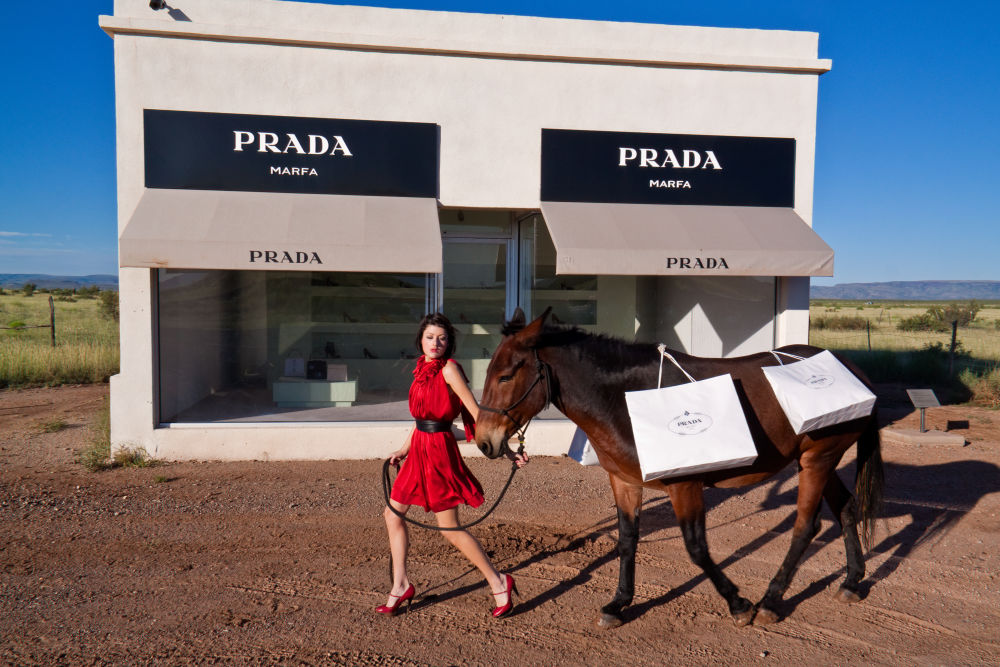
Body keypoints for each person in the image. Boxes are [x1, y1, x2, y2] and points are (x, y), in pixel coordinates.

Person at [378, 312, 528, 618]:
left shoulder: (450, 370)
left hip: (437, 455)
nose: (436, 343)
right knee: (393, 515)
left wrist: (507, 450)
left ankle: (499, 581)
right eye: (430, 337)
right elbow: (421, 419)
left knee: (450, 529)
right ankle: (401, 584)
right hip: (419, 448)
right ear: (420, 340)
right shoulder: (421, 368)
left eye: (442, 338)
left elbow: (475, 414)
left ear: (450, 343)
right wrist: (404, 449)